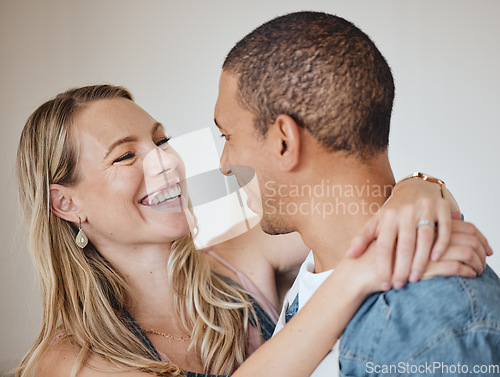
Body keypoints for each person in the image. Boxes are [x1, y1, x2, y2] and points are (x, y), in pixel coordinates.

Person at [13, 85, 487, 377]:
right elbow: (364, 254)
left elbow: (355, 210)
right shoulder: (68, 363)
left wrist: (419, 190)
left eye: (160, 140)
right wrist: (354, 278)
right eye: (126, 155)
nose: (166, 162)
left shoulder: (239, 259)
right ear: (66, 203)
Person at [215, 11, 500, 376]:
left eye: (227, 136)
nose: (224, 164)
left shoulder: (434, 317)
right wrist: (424, 183)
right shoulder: (316, 276)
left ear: (284, 142)